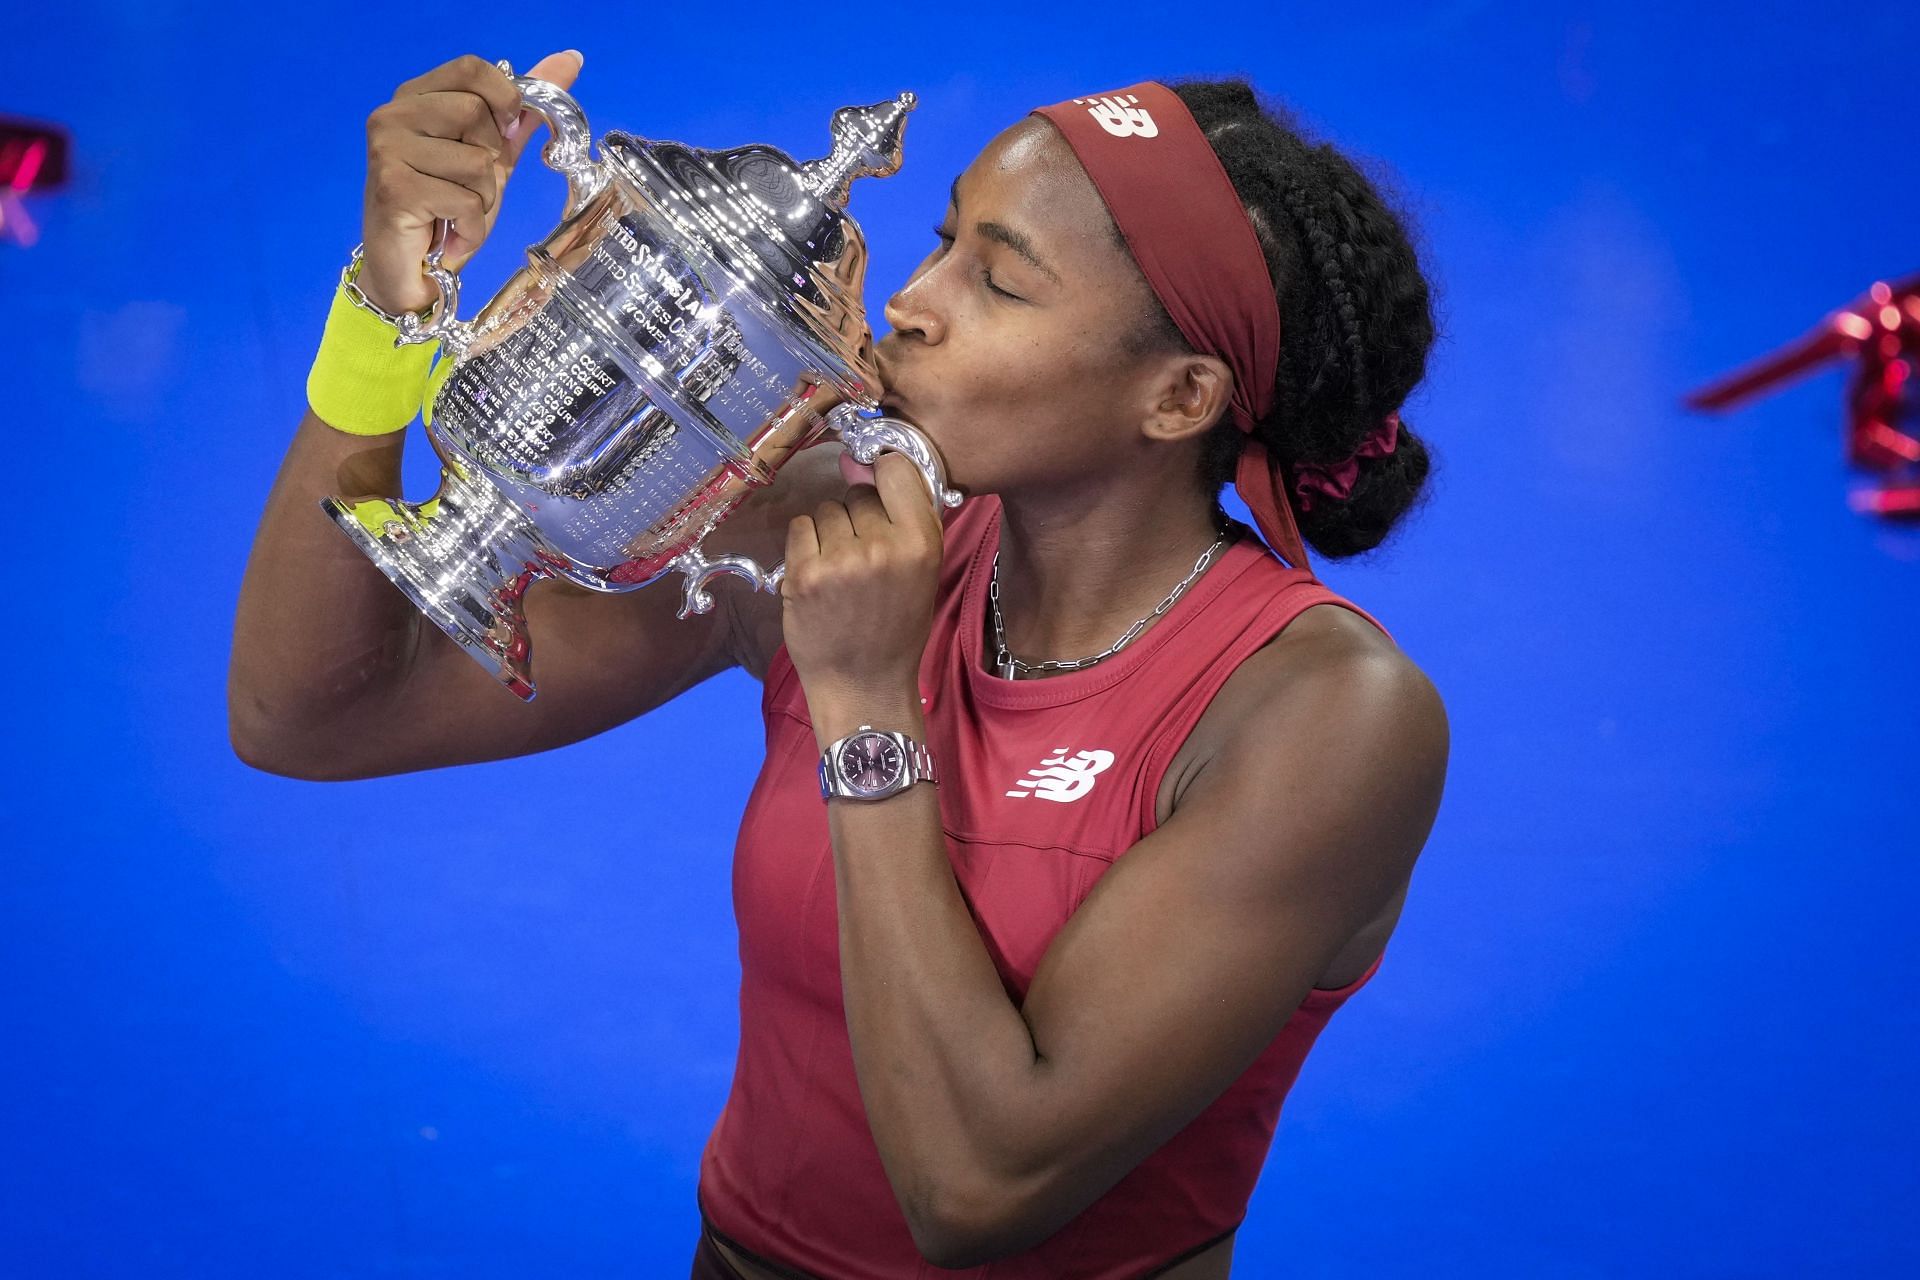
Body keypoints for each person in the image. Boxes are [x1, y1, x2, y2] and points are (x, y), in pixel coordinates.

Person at [229, 50, 1449, 1280]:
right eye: (942, 238)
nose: (911, 299)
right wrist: (391, 312)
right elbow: (313, 713)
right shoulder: (830, 520)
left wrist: (869, 702)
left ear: (1181, 395)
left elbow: (975, 1188)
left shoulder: (1323, 713)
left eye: (1001, 283)